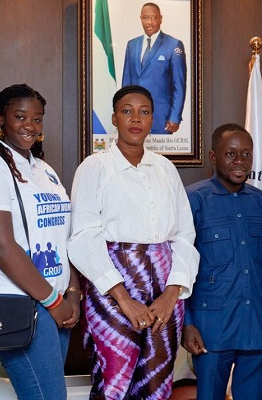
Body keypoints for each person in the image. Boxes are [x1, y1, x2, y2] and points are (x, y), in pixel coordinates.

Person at [68, 85, 199, 399]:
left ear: (153, 118)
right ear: (114, 118)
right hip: (113, 286)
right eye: (127, 111)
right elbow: (84, 237)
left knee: (157, 382)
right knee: (114, 380)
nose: (135, 118)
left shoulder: (166, 169)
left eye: (144, 111)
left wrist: (172, 294)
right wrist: (123, 299)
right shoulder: (94, 167)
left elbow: (184, 236)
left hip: (166, 288)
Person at [0, 83, 80, 400]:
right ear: (1, 119)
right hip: (24, 301)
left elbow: (62, 235)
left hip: (55, 301)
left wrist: (72, 291)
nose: (30, 125)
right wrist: (54, 301)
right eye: (20, 116)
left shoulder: (43, 169)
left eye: (37, 118)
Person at [182, 123, 262, 399]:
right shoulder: (193, 199)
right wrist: (186, 322)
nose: (240, 162)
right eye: (231, 154)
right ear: (214, 156)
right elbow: (179, 266)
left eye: (246, 154)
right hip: (211, 327)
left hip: (257, 325)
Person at [122, 2, 187, 134]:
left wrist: (175, 117)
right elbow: (126, 82)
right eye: (145, 18)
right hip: (134, 118)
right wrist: (124, 112)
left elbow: (179, 86)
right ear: (141, 19)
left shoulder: (173, 45)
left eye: (153, 18)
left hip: (161, 118)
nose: (149, 22)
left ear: (160, 19)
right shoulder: (132, 45)